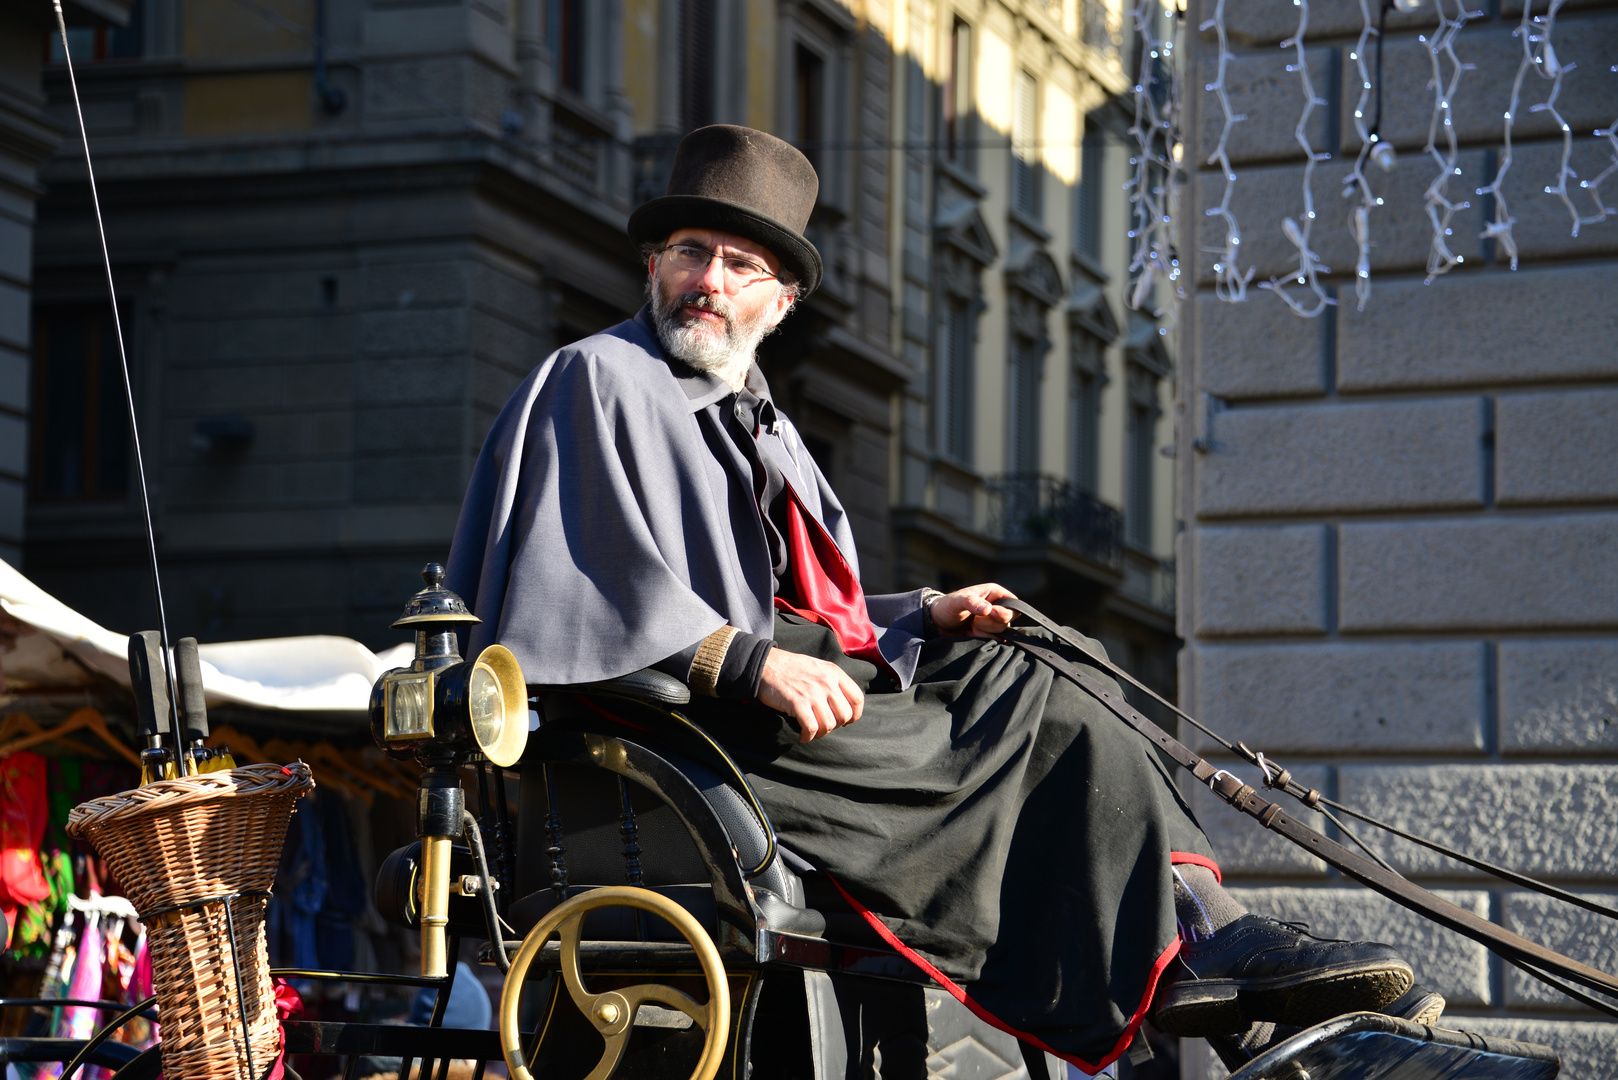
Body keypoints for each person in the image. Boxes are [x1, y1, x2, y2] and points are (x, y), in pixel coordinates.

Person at [444, 125, 1431, 1073]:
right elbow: (577, 582)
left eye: (742, 266)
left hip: (765, 711)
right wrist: (748, 663)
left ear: (778, 301)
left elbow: (782, 599)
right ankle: (1225, 987)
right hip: (691, 734)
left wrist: (921, 611)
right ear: (652, 265)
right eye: (691, 251)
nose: (710, 281)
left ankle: (1215, 971)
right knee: (1041, 704)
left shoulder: (761, 422)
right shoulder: (599, 377)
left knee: (1056, 658)